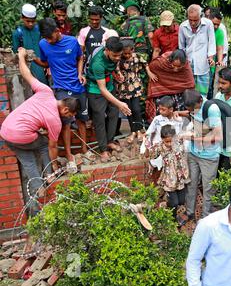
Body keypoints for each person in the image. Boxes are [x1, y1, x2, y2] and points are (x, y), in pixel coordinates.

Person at [0, 48, 78, 207]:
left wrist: (21, 56)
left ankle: (38, 188)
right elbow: (52, 147)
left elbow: (26, 74)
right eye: (69, 115)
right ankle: (49, 175)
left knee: (28, 160)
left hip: (6, 131)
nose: (69, 118)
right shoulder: (55, 120)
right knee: (43, 143)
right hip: (21, 134)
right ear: (65, 110)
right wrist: (54, 164)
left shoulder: (46, 91)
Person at [35, 18, 90, 164]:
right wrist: (34, 60)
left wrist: (80, 73)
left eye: (50, 37)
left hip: (78, 86)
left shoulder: (72, 41)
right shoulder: (43, 44)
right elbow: (46, 62)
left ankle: (84, 149)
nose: (48, 40)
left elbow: (80, 57)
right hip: (61, 88)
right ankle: (68, 153)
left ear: (57, 31)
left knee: (81, 120)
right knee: (65, 123)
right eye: (45, 38)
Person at [86, 36, 132, 163]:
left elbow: (114, 65)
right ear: (106, 50)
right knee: (99, 118)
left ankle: (110, 141)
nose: (118, 58)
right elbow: (102, 89)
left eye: (119, 55)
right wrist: (119, 103)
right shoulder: (98, 64)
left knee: (113, 114)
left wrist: (118, 73)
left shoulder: (115, 54)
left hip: (109, 86)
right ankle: (103, 149)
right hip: (96, 90)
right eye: (115, 56)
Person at [181, 89, 222, 222]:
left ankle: (205, 218)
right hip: (194, 153)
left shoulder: (212, 109)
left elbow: (218, 136)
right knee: (191, 184)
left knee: (208, 188)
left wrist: (192, 138)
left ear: (200, 101)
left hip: (208, 156)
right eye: (190, 110)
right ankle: (189, 212)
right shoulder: (192, 104)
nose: (193, 111)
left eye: (195, 109)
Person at [145, 125, 190, 224]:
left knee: (182, 201)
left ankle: (165, 204)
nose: (169, 144)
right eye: (167, 142)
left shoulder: (179, 141)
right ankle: (172, 219)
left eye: (171, 141)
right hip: (169, 179)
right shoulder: (160, 147)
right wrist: (147, 145)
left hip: (180, 177)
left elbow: (188, 134)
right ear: (162, 139)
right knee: (174, 203)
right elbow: (151, 155)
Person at [114, 39, 151, 143]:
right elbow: (115, 69)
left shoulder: (137, 57)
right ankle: (133, 131)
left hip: (135, 86)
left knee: (136, 109)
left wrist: (149, 73)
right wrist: (119, 75)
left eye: (128, 53)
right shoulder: (119, 58)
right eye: (124, 53)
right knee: (128, 110)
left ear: (133, 50)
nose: (126, 55)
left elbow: (146, 64)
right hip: (124, 87)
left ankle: (139, 130)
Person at [146, 49, 195, 124]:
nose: (176, 69)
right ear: (170, 60)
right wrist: (149, 72)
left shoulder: (186, 66)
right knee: (163, 106)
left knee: (180, 103)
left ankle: (179, 125)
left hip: (179, 91)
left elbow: (190, 83)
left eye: (179, 67)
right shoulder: (162, 62)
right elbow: (150, 66)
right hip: (162, 89)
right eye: (173, 65)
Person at [179, 4, 216, 98]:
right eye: (190, 20)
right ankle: (191, 112)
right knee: (189, 93)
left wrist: (210, 57)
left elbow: (212, 42)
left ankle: (200, 112)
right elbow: (181, 46)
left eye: (195, 20)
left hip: (203, 64)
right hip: (188, 63)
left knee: (202, 95)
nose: (192, 23)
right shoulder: (183, 26)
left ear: (201, 16)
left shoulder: (208, 24)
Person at [12, 4, 47, 84]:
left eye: (33, 21)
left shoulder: (40, 30)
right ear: (22, 18)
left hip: (41, 65)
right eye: (28, 21)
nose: (30, 24)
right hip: (27, 67)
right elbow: (15, 52)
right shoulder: (17, 33)